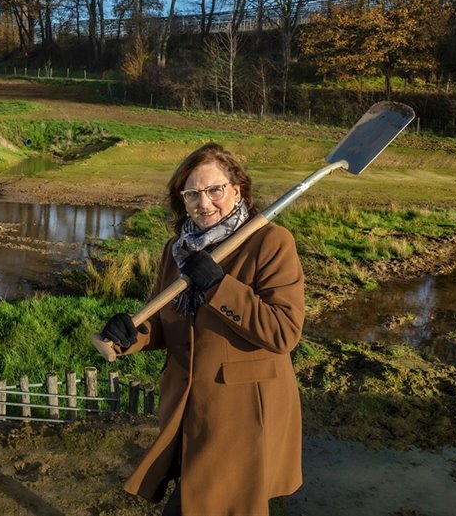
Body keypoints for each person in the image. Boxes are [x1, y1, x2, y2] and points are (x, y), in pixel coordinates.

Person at [100, 142, 305, 515]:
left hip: (240, 414)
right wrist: (131, 335)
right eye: (192, 193)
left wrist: (218, 285)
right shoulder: (176, 250)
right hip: (186, 405)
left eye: (215, 190)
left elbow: (283, 332)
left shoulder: (271, 243)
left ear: (237, 190)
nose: (204, 202)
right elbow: (163, 322)